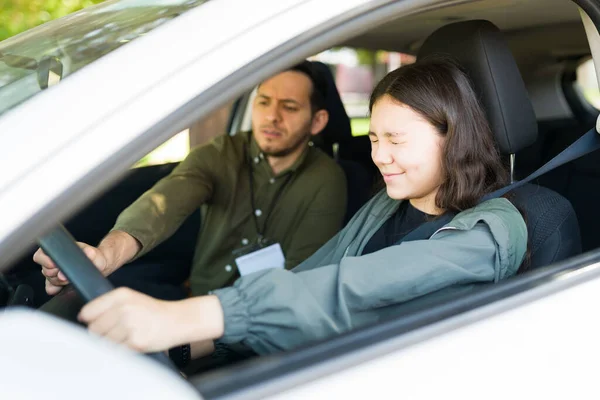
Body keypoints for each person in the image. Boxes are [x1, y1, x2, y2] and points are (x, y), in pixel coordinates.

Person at [61, 57, 529, 366]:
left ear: (451, 135)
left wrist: (194, 318)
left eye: (396, 140)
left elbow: (349, 289)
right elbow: (310, 274)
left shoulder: (490, 232)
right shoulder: (386, 207)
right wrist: (186, 343)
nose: (379, 156)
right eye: (374, 139)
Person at [34, 60, 348, 303]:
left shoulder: (325, 179)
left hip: (261, 320)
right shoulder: (222, 153)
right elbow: (163, 203)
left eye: (289, 107)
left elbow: (300, 277)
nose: (272, 116)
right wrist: (106, 256)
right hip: (196, 298)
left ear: (318, 120)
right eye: (263, 101)